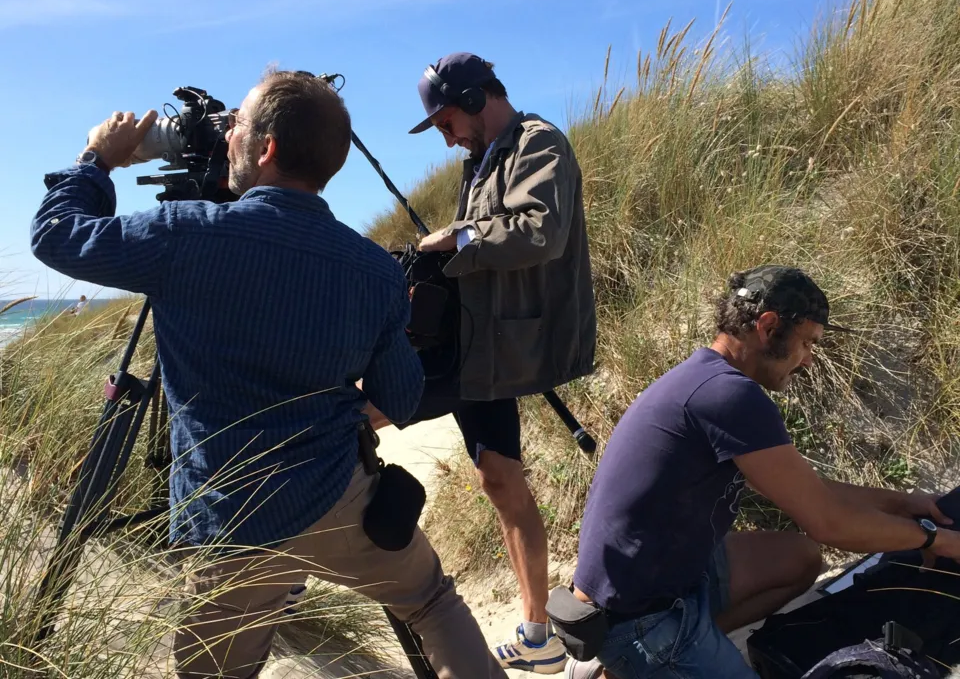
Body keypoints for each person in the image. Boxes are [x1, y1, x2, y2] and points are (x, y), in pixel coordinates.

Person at [31, 70, 508, 679]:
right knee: (433, 602)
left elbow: (56, 235)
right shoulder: (374, 270)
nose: (228, 135)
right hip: (341, 498)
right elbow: (401, 395)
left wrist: (96, 159)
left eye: (237, 126)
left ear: (267, 147)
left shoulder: (187, 234)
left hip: (233, 520)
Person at [566, 265, 960, 679]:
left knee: (799, 559)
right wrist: (934, 539)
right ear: (768, 326)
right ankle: (647, 662)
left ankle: (687, 651)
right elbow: (829, 523)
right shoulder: (730, 396)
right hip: (636, 618)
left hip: (660, 577)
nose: (808, 360)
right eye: (807, 342)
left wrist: (903, 503)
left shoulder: (705, 376)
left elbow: (808, 490)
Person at [363, 51, 597, 674]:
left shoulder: (538, 142)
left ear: (473, 100)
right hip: (477, 347)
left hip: (492, 352)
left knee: (359, 416)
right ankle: (539, 636)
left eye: (446, 123)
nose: (447, 138)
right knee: (500, 478)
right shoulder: (482, 160)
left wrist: (459, 236)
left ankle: (296, 564)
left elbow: (540, 230)